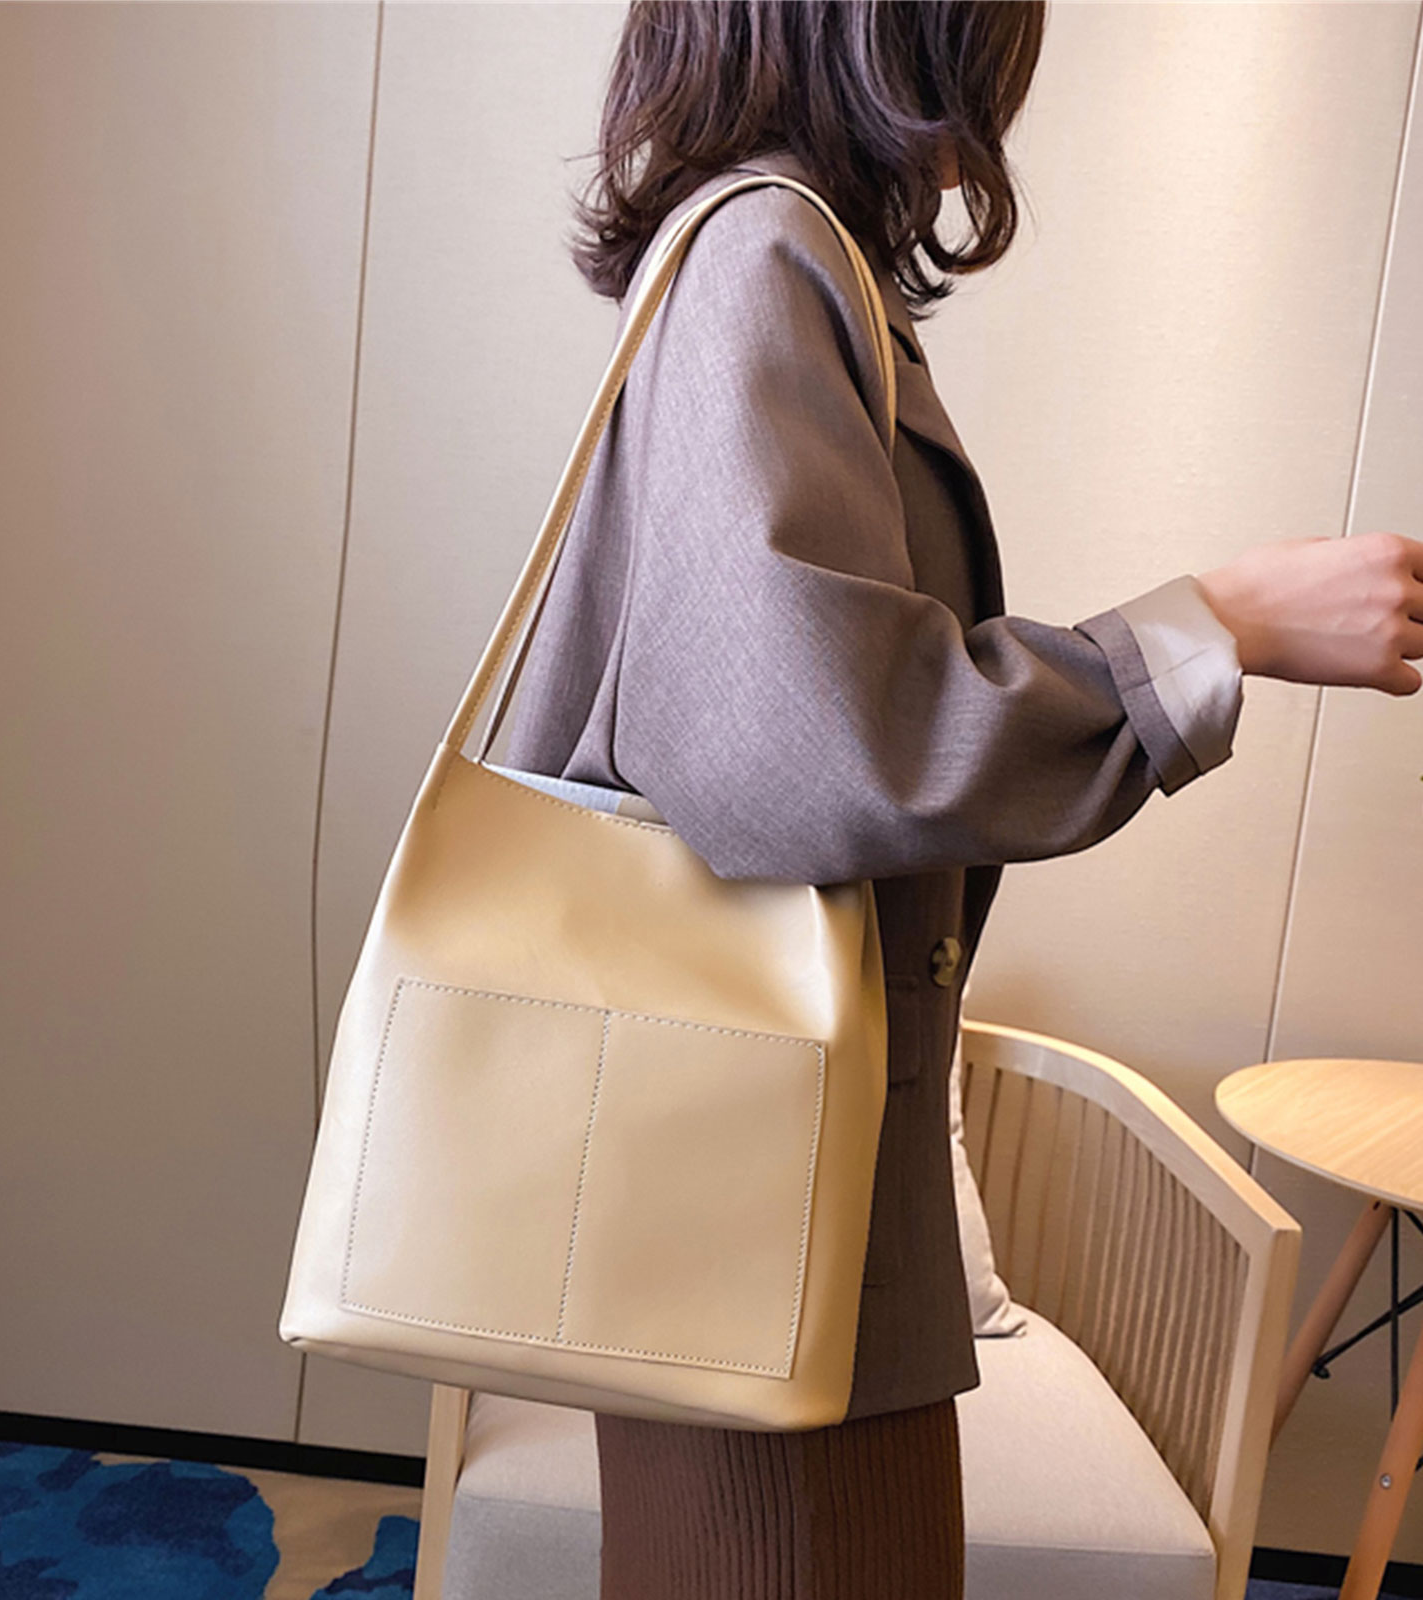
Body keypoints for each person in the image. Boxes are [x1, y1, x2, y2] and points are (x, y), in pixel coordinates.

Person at [498, 3, 1423, 1596]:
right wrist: (1220, 627)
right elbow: (806, 743)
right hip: (767, 1217)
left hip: (756, 1204)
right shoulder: (763, 254)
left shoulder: (783, 256)